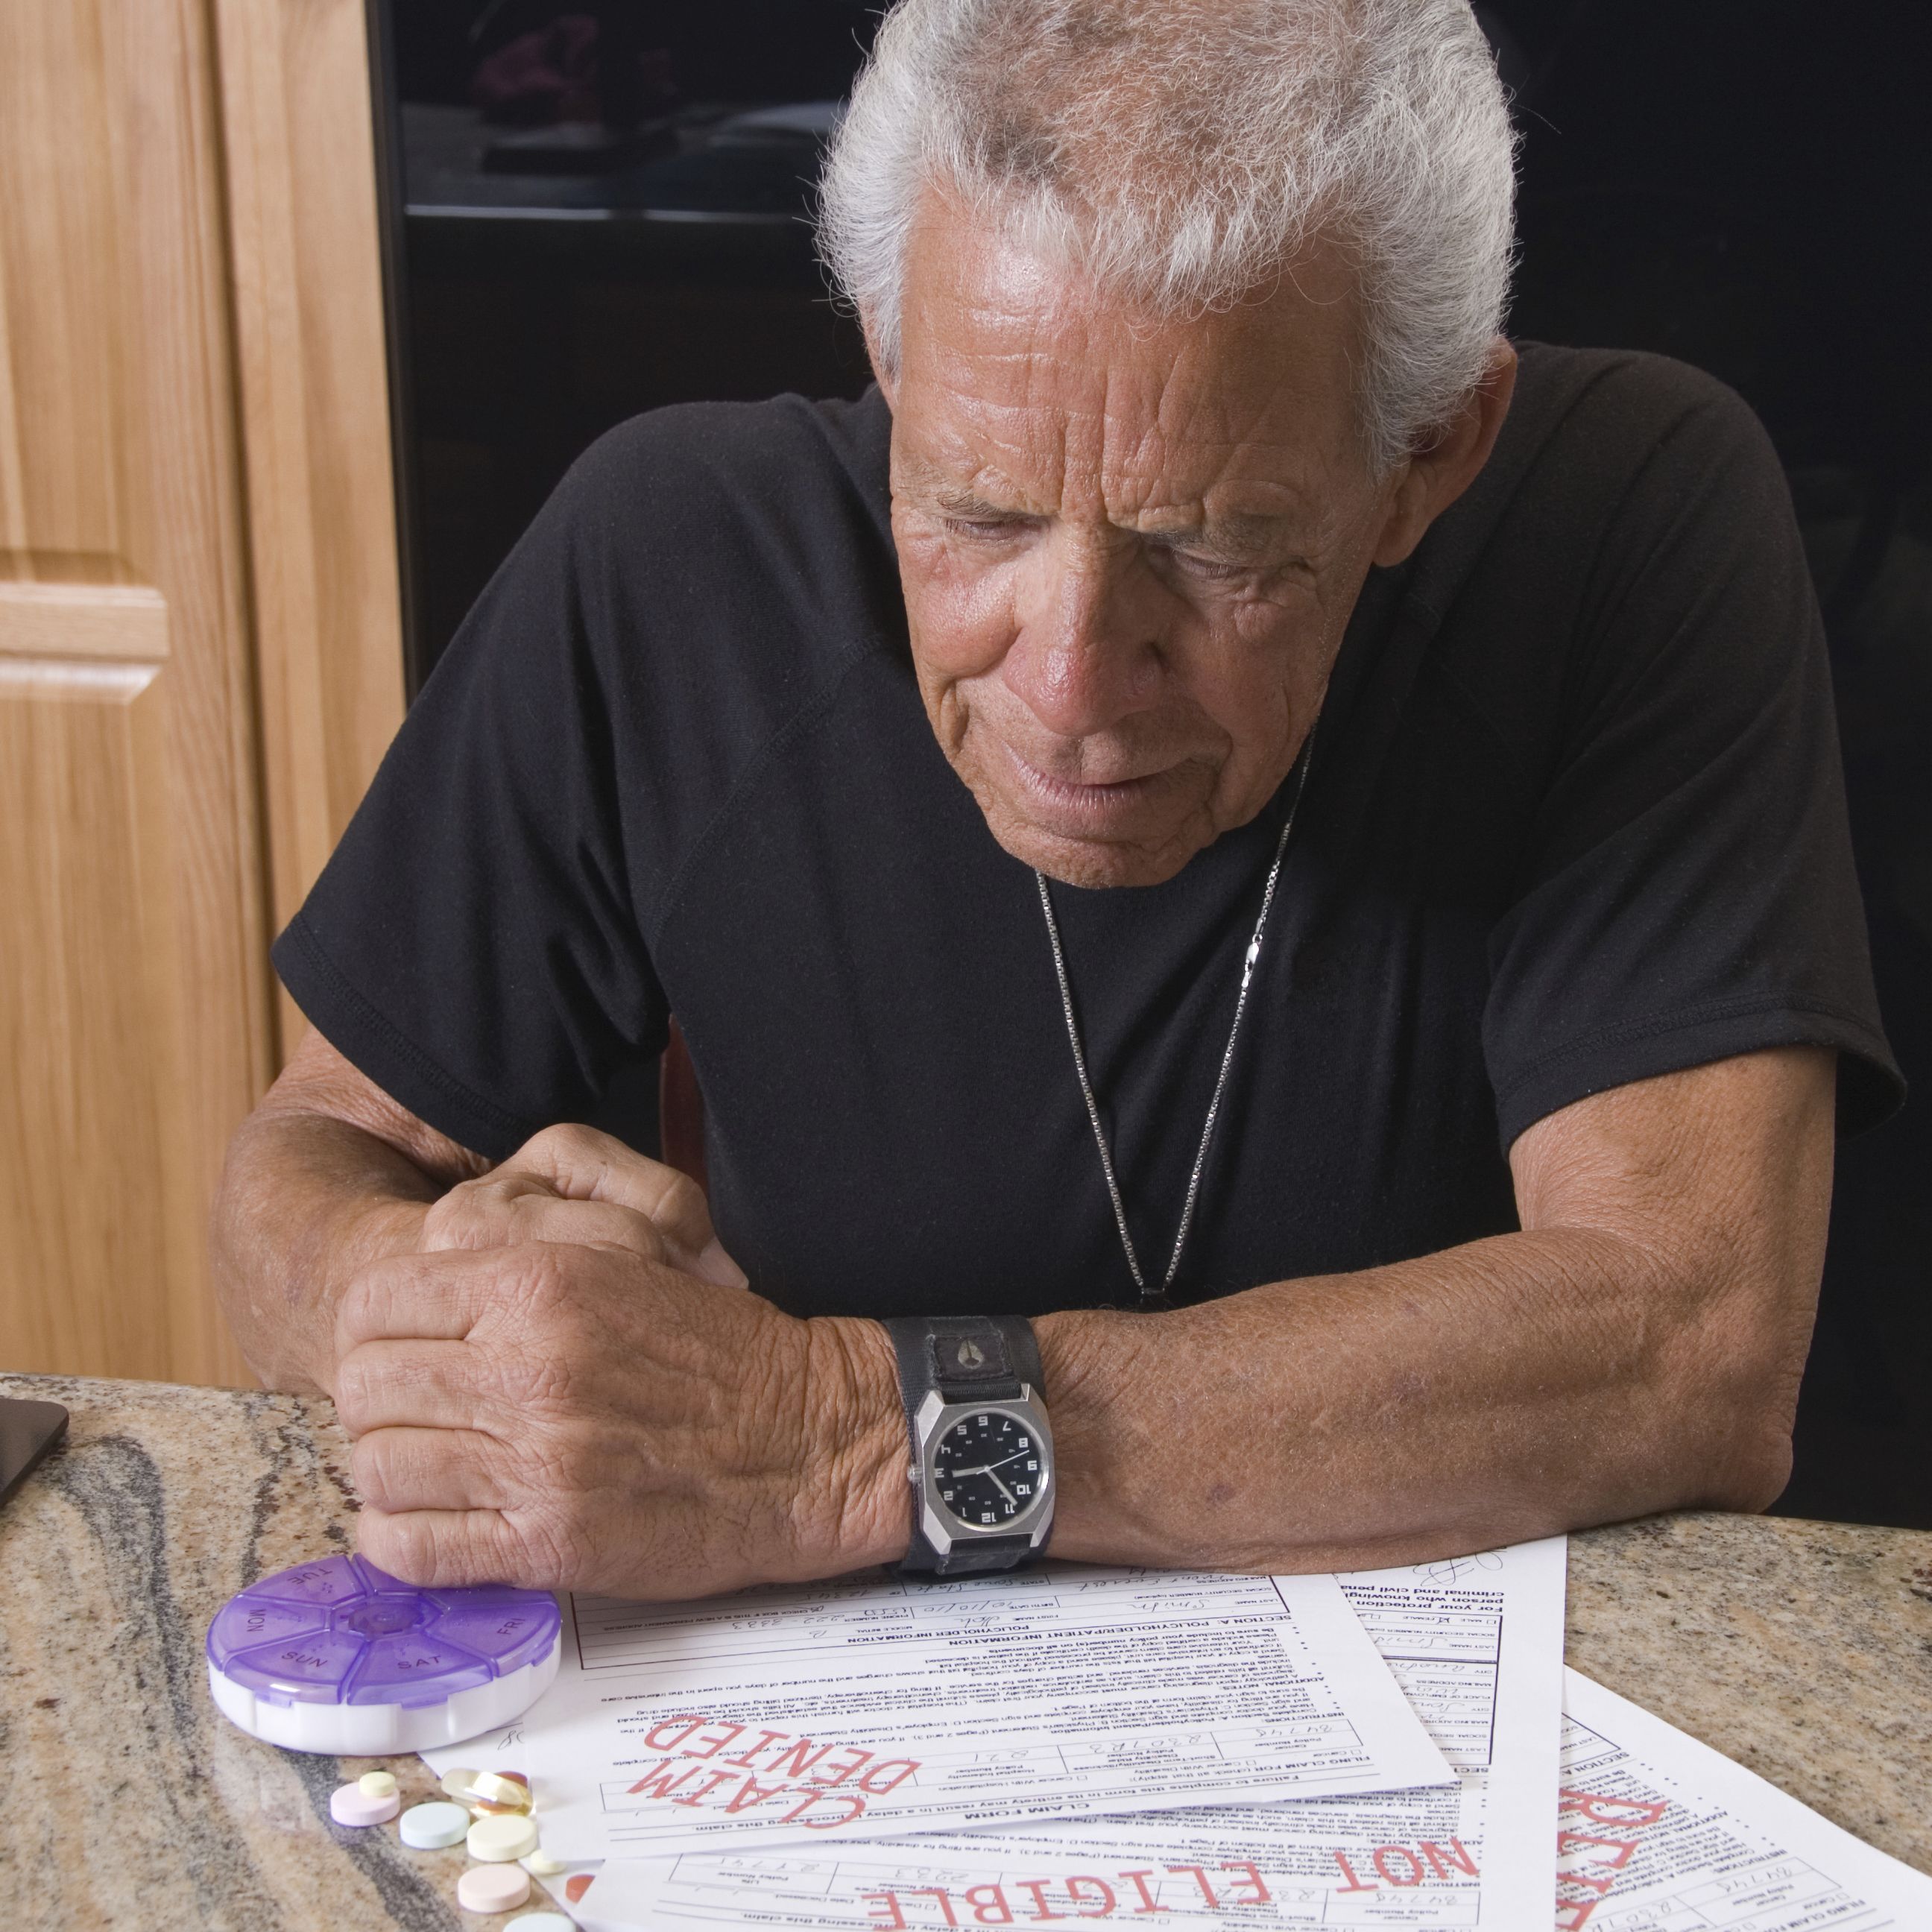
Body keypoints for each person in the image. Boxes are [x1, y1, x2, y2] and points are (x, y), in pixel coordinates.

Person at [214, 0, 1898, 1597]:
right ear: (891, 345)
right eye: (978, 514)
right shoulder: (667, 552)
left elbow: (1688, 1337)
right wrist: (424, 1321)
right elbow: (310, 1157)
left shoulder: (1632, 521)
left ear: (1432, 452)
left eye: (1211, 545)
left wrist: (850, 1440)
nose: (1072, 681)